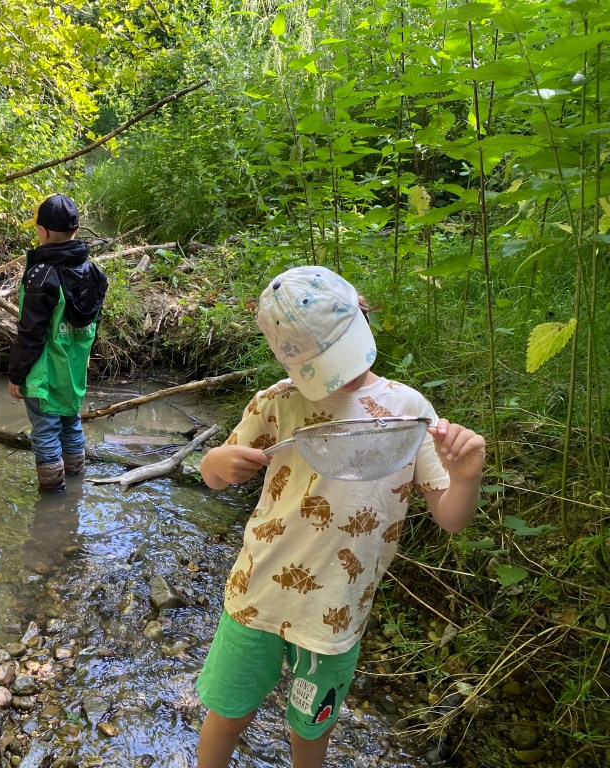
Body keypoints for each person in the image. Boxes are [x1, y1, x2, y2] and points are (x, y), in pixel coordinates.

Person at [195, 265, 485, 768]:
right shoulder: (278, 403)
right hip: (256, 595)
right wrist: (217, 463)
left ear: (361, 317)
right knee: (228, 714)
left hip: (336, 611)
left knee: (311, 729)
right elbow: (213, 476)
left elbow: (452, 518)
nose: (339, 376)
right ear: (288, 360)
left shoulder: (408, 410)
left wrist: (465, 477)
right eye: (319, 366)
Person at [7, 193, 108, 492]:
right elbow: (93, 324)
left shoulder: (41, 273)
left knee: (45, 429)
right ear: (76, 229)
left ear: (44, 231)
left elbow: (31, 331)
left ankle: (52, 498)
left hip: (44, 373)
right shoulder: (93, 272)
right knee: (70, 421)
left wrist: (17, 374)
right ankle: (75, 487)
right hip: (73, 369)